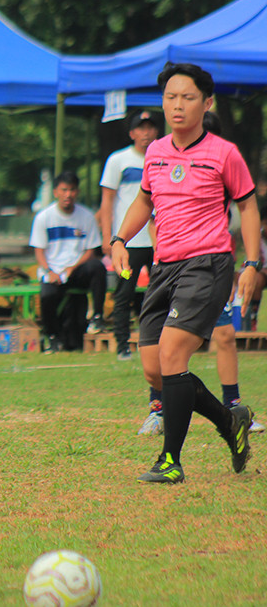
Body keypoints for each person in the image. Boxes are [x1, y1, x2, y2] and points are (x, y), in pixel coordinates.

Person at [112, 62, 257, 484]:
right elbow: (144, 201)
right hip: (164, 266)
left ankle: (170, 461)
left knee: (174, 355)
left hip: (208, 264)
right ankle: (231, 421)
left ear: (206, 103)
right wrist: (119, 240)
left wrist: (251, 264)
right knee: (156, 368)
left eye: (188, 97)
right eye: (171, 97)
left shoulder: (224, 153)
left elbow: (247, 205)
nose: (177, 105)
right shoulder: (155, 152)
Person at [99, 110, 159, 361]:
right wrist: (108, 237)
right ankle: (122, 344)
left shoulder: (163, 158)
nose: (146, 133)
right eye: (140, 128)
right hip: (129, 242)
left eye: (150, 128)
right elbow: (107, 201)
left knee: (160, 293)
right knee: (124, 294)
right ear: (132, 133)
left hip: (158, 240)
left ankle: (159, 343)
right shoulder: (118, 160)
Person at [29, 170, 106, 353]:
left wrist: (73, 267)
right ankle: (52, 336)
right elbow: (39, 251)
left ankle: (97, 316)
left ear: (77, 192)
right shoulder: (43, 218)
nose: (68, 195)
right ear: (55, 192)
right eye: (64, 190)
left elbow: (91, 251)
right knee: (47, 296)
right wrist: (49, 271)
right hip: (53, 270)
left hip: (76, 268)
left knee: (98, 267)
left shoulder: (86, 216)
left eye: (72, 190)